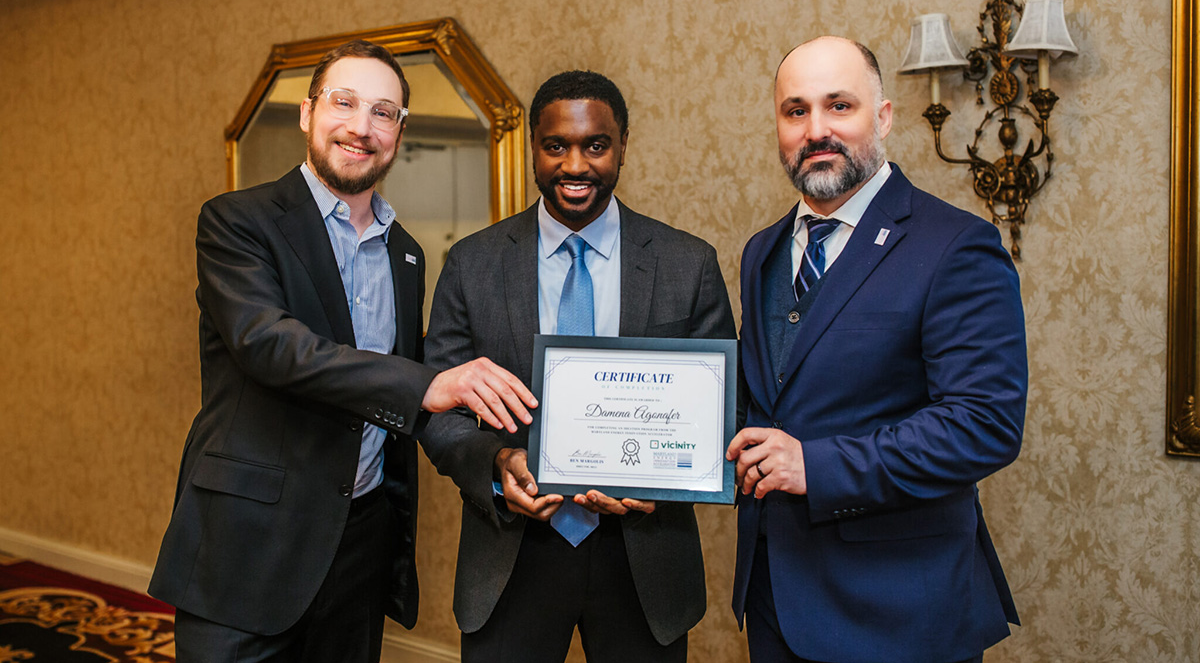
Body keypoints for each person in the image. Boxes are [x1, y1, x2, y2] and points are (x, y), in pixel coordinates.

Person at [149, 39, 537, 663]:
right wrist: (425, 384)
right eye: (344, 102)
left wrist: (495, 460)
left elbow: (412, 407)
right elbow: (270, 346)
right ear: (307, 114)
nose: (362, 127)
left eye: (383, 112)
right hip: (248, 547)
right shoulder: (238, 222)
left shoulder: (406, 253)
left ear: (400, 132)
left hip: (359, 544)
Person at [726, 36, 1027, 663]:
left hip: (898, 612)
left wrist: (818, 466)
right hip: (776, 599)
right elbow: (764, 401)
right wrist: (649, 460)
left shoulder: (956, 246)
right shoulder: (763, 251)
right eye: (795, 111)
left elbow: (984, 425)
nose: (816, 130)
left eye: (840, 106)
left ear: (883, 116)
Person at [418, 70, 736, 663]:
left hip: (643, 557)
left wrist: (664, 485)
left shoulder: (687, 264)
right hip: (512, 552)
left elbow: (724, 410)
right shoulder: (472, 264)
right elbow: (439, 414)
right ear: (533, 147)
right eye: (556, 145)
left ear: (621, 147)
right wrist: (496, 464)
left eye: (595, 145)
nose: (575, 165)